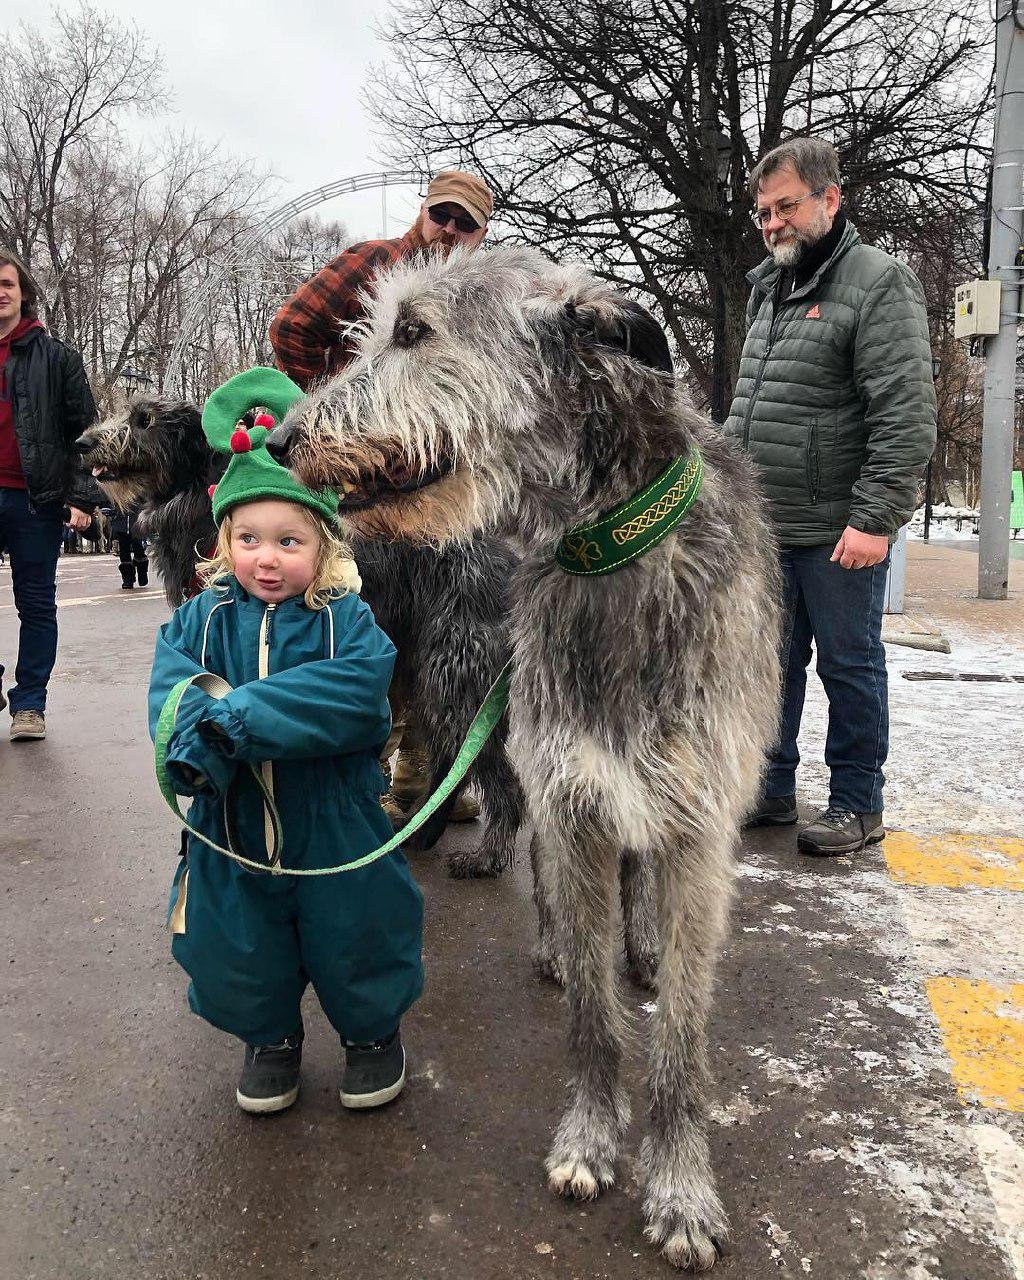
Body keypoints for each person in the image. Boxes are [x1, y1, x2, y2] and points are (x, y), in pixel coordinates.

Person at [148, 367, 424, 1115]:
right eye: (248, 538)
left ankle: (372, 1035)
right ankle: (269, 1037)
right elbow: (174, 696)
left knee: (359, 932)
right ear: (223, 540)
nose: (267, 557)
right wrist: (194, 745)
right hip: (231, 823)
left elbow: (353, 697)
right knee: (237, 944)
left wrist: (235, 719)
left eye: (289, 540)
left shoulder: (346, 623)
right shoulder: (198, 623)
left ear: (324, 544)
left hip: (334, 821)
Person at [725, 137, 936, 857]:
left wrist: (876, 519)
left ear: (831, 199)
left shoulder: (879, 282)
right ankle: (770, 788)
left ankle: (856, 801)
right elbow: (750, 407)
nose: (773, 223)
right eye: (763, 213)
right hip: (765, 524)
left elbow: (904, 416)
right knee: (770, 663)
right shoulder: (769, 286)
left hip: (840, 527)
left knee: (847, 664)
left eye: (786, 207)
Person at [270, 170, 494, 824]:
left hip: (438, 490)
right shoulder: (373, 264)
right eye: (442, 214)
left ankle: (427, 786)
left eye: (464, 223)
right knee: (372, 635)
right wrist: (344, 403)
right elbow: (293, 327)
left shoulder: (473, 299)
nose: (448, 230)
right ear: (423, 211)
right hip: (365, 484)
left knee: (444, 639)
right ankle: (357, 787)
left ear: (480, 236)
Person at [0, 249, 97, 741]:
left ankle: (30, 704)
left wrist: (82, 498)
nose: (0, 293)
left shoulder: (57, 359)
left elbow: (86, 433)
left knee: (35, 605)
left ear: (23, 293)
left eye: (7, 284)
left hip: (34, 499)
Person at [104, 502, 149, 590]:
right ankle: (127, 579)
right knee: (124, 552)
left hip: (136, 523)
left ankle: (142, 571)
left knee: (138, 548)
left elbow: (146, 500)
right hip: (120, 523)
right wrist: (111, 512)